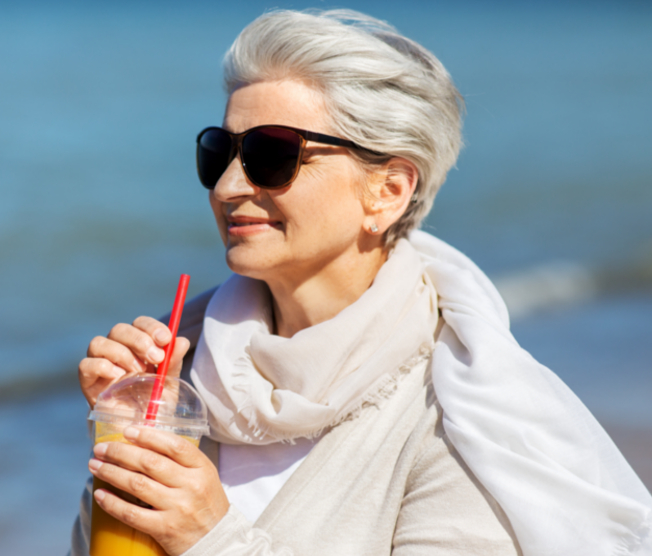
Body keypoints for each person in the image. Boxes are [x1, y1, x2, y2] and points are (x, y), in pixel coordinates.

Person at [70, 9, 652, 556]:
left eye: (272, 155)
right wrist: (132, 437)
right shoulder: (184, 373)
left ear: (388, 191)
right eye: (218, 152)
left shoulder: (467, 420)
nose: (225, 188)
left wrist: (212, 537)